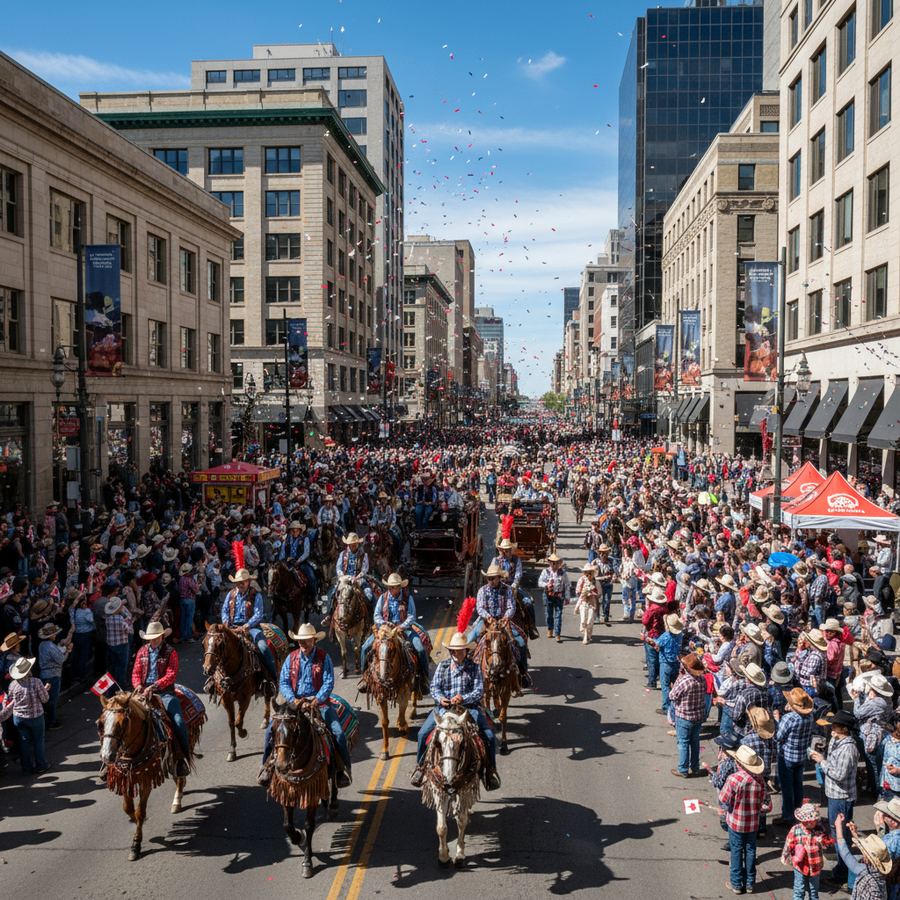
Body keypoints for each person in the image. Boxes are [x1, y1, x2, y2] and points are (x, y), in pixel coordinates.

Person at [258, 622, 351, 788]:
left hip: (318, 704)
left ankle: (341, 771)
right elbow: (284, 681)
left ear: (314, 640)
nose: (303, 643)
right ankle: (266, 767)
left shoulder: (324, 657)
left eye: (306, 640)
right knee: (270, 732)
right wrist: (293, 699)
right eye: (300, 640)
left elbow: (328, 682)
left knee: (337, 733)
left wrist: (316, 699)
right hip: (294, 703)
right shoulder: (291, 658)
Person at [410, 631, 500, 791]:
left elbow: (479, 690)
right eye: (453, 650)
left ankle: (490, 772)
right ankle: (420, 768)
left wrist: (463, 698)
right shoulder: (443, 666)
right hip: (443, 709)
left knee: (490, 737)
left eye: (460, 650)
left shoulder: (474, 667)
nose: (456, 653)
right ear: (450, 651)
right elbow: (434, 687)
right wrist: (440, 698)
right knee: (422, 734)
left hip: (469, 709)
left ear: (466, 651)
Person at [131, 620, 191, 777]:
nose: (153, 640)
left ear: (162, 637)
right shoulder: (142, 651)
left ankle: (182, 757)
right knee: (123, 716)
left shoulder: (171, 652)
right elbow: (136, 672)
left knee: (178, 721)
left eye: (156, 637)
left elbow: (171, 675)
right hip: (143, 691)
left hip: (164, 693)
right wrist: (138, 685)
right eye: (151, 637)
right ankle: (112, 760)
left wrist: (155, 686)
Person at [811, 709, 860, 889]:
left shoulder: (848, 748)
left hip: (841, 797)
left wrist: (822, 761)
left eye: (835, 725)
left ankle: (843, 874)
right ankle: (842, 871)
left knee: (841, 835)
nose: (832, 727)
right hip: (834, 795)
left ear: (844, 729)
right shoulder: (838, 741)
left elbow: (838, 774)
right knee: (836, 832)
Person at [359, 573, 429, 695]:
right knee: (365, 648)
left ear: (400, 587)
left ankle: (423, 680)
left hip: (404, 629)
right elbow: (377, 615)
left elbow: (411, 616)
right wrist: (385, 624)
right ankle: (365, 678)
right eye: (390, 587)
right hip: (384, 630)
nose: (392, 589)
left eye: (395, 587)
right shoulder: (383, 598)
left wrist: (400, 627)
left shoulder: (408, 598)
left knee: (420, 649)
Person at [468, 563, 530, 687]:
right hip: (486, 621)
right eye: (488, 578)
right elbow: (479, 608)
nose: (490, 580)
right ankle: (468, 675)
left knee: (521, 643)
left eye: (492, 578)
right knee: (467, 642)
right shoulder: (482, 590)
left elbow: (511, 606)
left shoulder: (507, 589)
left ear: (499, 578)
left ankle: (523, 673)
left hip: (503, 622)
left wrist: (506, 617)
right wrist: (488, 616)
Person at [718, 745, 770, 894]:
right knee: (750, 850)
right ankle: (749, 883)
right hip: (753, 822)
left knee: (736, 851)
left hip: (736, 822)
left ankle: (736, 883)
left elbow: (723, 798)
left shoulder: (734, 779)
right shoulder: (760, 781)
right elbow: (764, 800)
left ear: (738, 763)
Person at [221, 566, 278, 682]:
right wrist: (226, 622)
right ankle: (215, 678)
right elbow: (224, 610)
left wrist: (247, 625)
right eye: (237, 582)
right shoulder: (231, 594)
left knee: (263, 648)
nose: (240, 585)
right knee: (215, 646)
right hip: (231, 627)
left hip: (251, 628)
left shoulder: (256, 595)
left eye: (242, 582)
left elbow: (258, 614)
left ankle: (274, 678)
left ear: (248, 582)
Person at [0, 656, 49, 775]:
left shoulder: (12, 685)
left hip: (20, 718)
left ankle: (27, 767)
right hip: (36, 717)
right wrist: (46, 689)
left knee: (24, 742)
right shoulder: (36, 682)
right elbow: (45, 699)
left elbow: (11, 700)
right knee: (38, 741)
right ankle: (41, 765)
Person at [775, 688, 815, 825]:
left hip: (787, 756)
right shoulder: (810, 717)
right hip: (801, 755)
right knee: (798, 785)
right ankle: (798, 812)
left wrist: (777, 720)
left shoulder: (789, 718)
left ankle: (788, 816)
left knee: (786, 787)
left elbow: (779, 736)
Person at [833, 813, 891, 899]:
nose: (862, 853)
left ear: (868, 858)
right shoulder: (879, 874)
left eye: (864, 852)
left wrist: (838, 826)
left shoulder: (864, 873)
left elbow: (845, 853)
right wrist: (855, 835)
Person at [781, 801, 830, 900]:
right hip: (800, 865)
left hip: (815, 865)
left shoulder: (819, 830)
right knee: (799, 889)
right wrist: (788, 858)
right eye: (811, 820)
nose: (814, 822)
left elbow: (826, 844)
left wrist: (824, 841)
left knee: (814, 891)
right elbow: (788, 844)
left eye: (814, 820)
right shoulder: (795, 830)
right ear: (805, 821)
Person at [669, 652, 706, 778]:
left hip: (684, 716)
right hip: (698, 715)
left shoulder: (684, 681)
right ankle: (695, 767)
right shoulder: (702, 679)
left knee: (683, 743)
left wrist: (678, 679)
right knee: (695, 742)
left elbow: (672, 696)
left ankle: (683, 769)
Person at [491, 538, 538, 639]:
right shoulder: (496, 560)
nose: (506, 551)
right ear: (501, 550)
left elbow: (518, 574)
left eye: (508, 549)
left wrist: (514, 584)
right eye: (504, 549)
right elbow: (492, 573)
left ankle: (532, 627)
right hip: (498, 586)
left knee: (528, 602)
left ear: (511, 550)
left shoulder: (516, 559)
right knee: (488, 603)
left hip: (513, 587)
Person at [647, 613, 684, 718]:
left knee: (665, 686)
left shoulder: (666, 636)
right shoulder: (680, 635)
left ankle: (666, 707)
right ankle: (676, 705)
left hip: (665, 663)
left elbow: (656, 644)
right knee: (675, 685)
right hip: (676, 662)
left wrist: (649, 640)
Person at [37, 622, 71, 729]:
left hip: (44, 674)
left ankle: (47, 720)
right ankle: (51, 722)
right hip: (53, 675)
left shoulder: (42, 645)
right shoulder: (51, 646)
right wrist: (68, 652)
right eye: (54, 634)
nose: (55, 635)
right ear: (51, 635)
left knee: (46, 698)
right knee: (52, 699)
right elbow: (61, 660)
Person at [280, 520, 317, 600]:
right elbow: (282, 553)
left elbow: (306, 553)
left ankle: (313, 597)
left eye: (296, 529)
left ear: (300, 530)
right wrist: (284, 560)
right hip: (288, 563)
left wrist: (298, 561)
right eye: (293, 529)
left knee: (312, 577)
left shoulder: (305, 539)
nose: (294, 531)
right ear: (290, 530)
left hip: (301, 563)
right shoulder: (286, 541)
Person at [538, 552, 569, 642]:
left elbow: (567, 585)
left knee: (558, 615)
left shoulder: (562, 573)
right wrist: (546, 585)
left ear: (559, 563)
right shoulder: (545, 572)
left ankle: (557, 633)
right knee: (549, 614)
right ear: (549, 562)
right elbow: (540, 582)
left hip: (559, 596)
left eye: (555, 562)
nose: (554, 564)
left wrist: (567, 597)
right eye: (552, 562)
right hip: (548, 596)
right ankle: (550, 629)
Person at [104, 597, 132, 689]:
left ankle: (111, 688)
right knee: (121, 667)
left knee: (112, 667)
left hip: (110, 645)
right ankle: (121, 687)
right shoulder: (120, 619)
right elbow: (128, 630)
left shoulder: (107, 619)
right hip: (122, 645)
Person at [594, 544, 615, 626]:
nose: (603, 555)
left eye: (605, 553)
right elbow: (594, 577)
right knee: (598, 601)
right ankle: (597, 617)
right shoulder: (595, 562)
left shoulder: (611, 561)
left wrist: (613, 576)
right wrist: (604, 577)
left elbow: (615, 571)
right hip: (599, 584)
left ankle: (605, 616)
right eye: (601, 553)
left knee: (607, 601)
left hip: (608, 584)